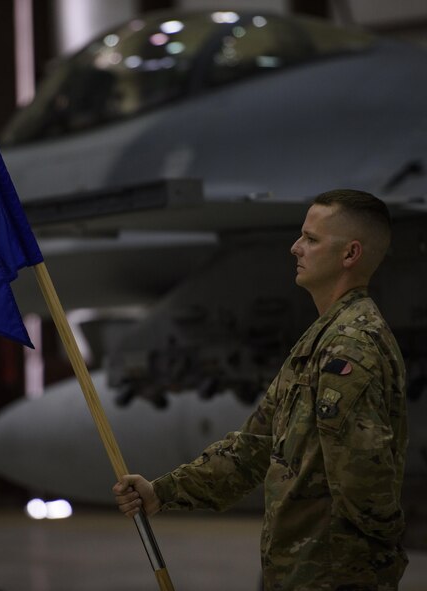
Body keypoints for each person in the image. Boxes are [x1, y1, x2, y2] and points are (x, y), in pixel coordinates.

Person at [113, 189, 408, 590]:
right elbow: (252, 450)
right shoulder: (319, 343)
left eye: (311, 238)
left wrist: (380, 553)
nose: (295, 247)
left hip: (333, 579)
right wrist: (161, 492)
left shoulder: (350, 348)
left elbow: (364, 480)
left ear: (350, 254)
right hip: (298, 575)